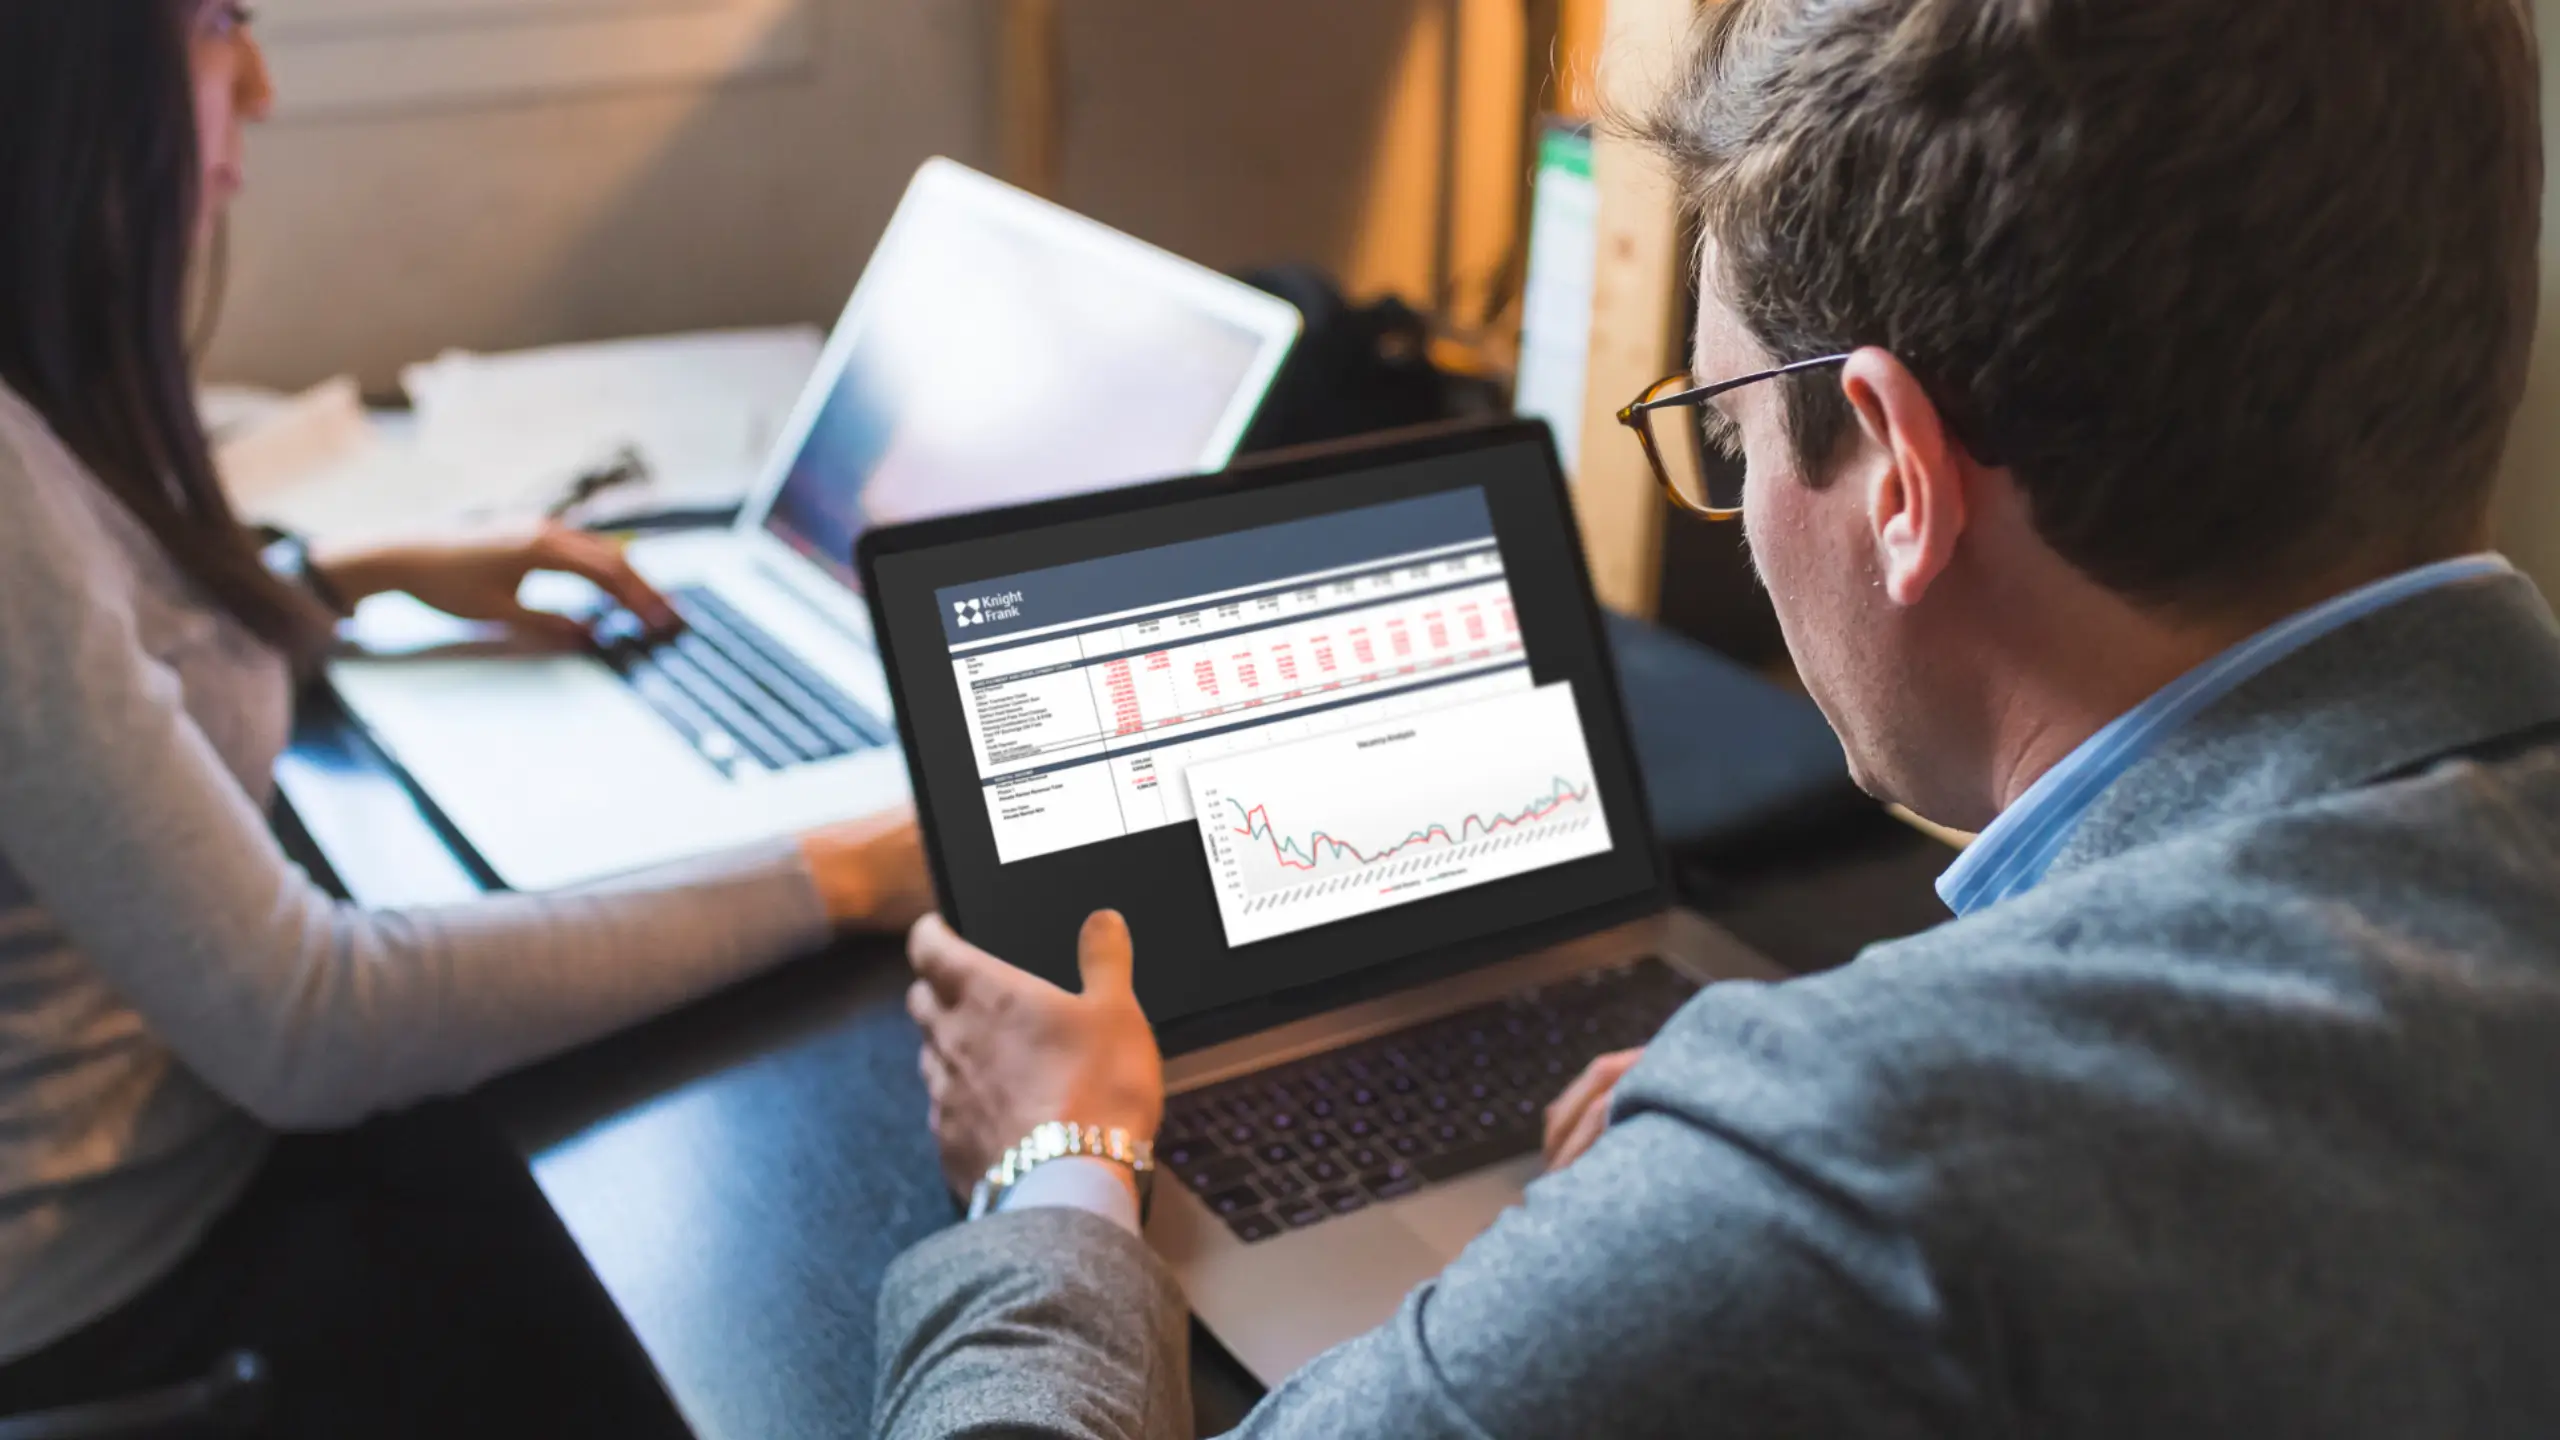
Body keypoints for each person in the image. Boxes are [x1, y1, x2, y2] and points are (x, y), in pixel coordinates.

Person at [875, 0, 2560, 1433]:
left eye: (1730, 433)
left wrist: (1061, 1162)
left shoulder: (1850, 1165)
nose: (1738, 502)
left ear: (1897, 476)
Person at [0, 1, 928, 1430]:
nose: (261, 83)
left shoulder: (42, 395)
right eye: (219, 24)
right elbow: (310, 1019)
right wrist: (844, 873)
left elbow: (88, 671)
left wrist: (340, 583)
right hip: (112, 1305)